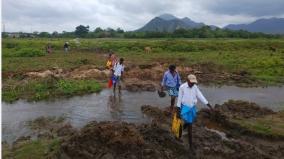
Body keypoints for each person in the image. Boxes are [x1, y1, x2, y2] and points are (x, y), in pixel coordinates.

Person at [176, 74, 213, 152]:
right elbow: (179, 99)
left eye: (194, 83)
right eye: (191, 82)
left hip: (192, 108)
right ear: (187, 80)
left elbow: (200, 96)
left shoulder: (195, 87)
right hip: (185, 107)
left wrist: (208, 105)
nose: (192, 84)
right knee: (189, 126)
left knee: (188, 122)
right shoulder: (182, 87)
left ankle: (181, 133)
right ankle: (190, 145)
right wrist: (178, 111)